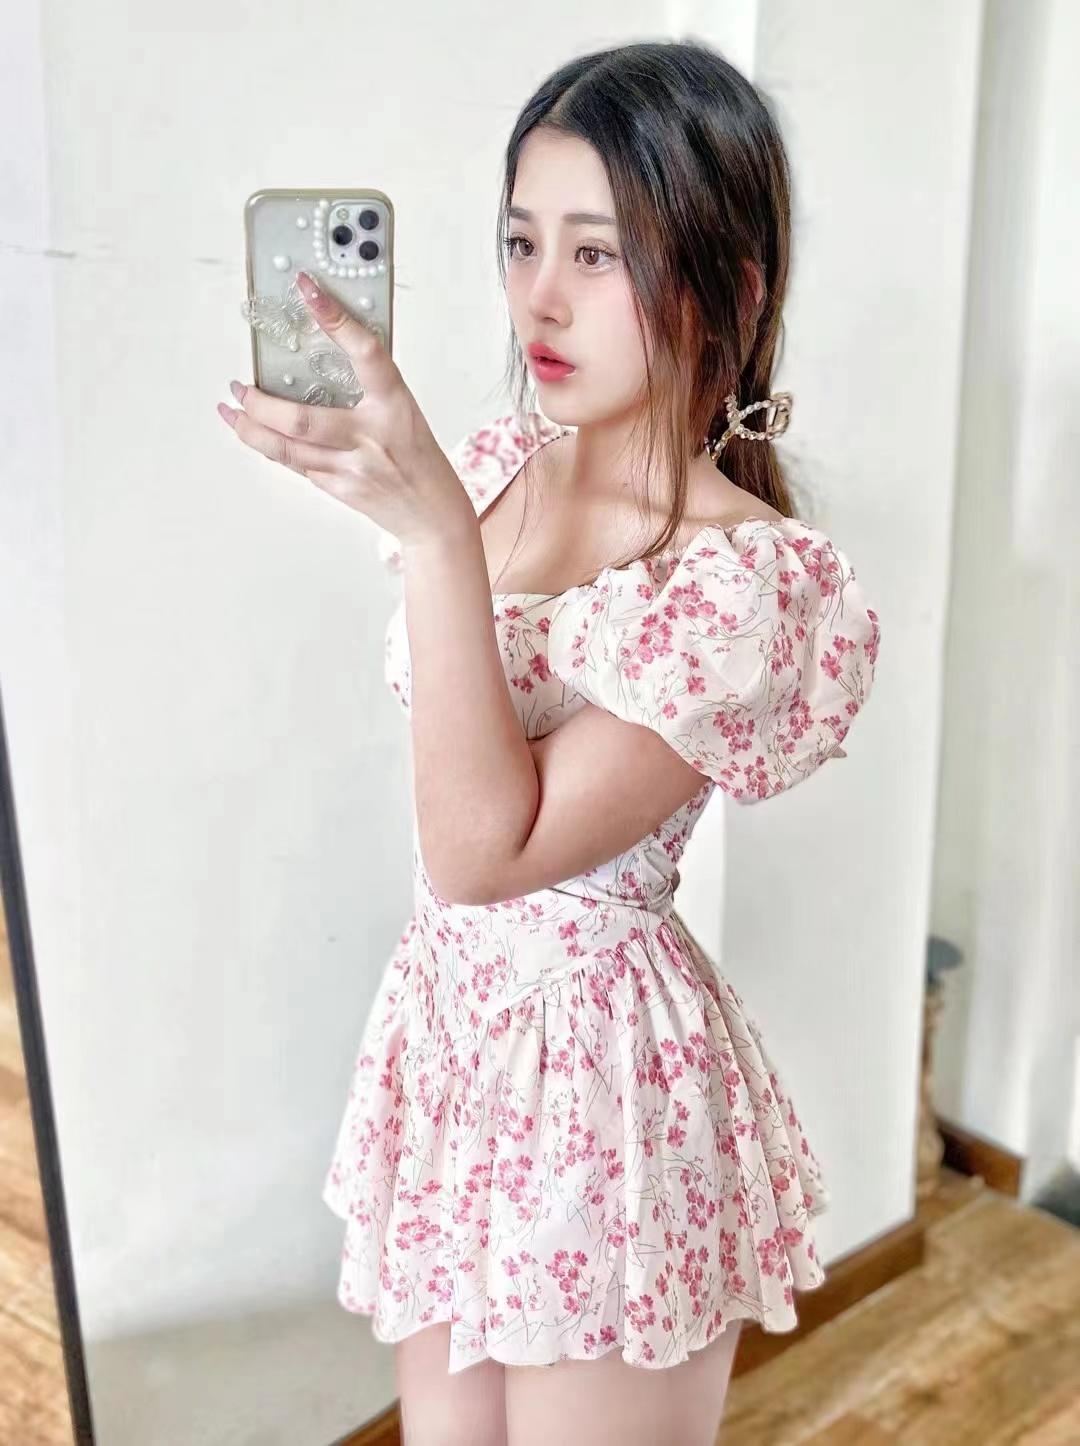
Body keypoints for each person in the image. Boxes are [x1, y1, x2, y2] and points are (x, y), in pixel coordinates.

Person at [316, 37, 882, 1446]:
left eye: (600, 254)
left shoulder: (738, 586)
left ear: (729, 292)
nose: (541, 299)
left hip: (603, 1096)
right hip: (451, 1046)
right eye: (522, 243)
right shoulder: (491, 469)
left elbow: (483, 852)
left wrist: (434, 539)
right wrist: (434, 514)